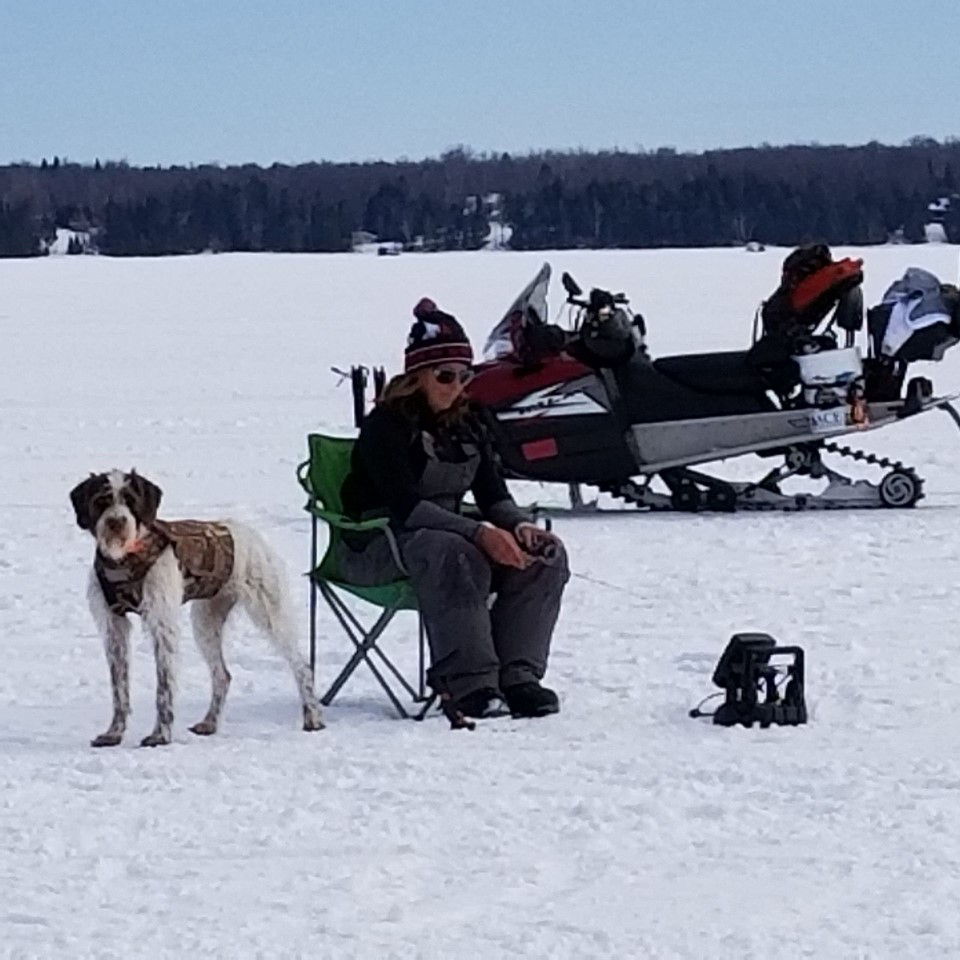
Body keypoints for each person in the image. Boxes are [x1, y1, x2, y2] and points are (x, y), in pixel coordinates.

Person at [339, 298, 569, 719]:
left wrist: (518, 526)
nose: (456, 386)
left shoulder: (469, 421)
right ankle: (469, 683)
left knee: (545, 557)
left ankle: (518, 677)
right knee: (456, 553)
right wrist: (480, 534)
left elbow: (492, 495)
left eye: (465, 376)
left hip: (447, 534)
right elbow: (406, 507)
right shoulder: (386, 427)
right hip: (378, 543)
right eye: (445, 376)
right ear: (417, 377)